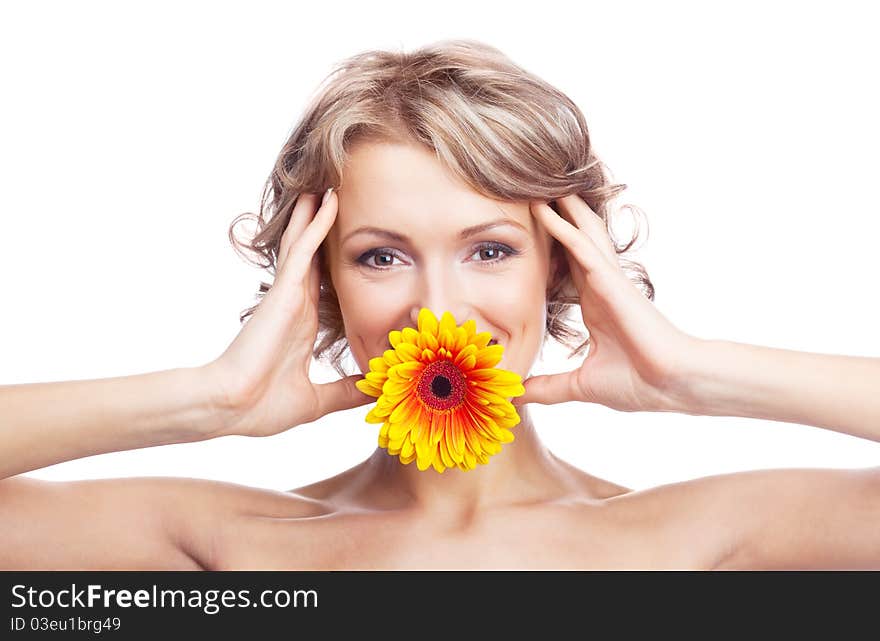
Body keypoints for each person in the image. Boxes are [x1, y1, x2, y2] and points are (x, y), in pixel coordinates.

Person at [1, 39, 878, 570]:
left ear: (565, 272)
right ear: (320, 289)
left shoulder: (694, 539)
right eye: (380, 255)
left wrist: (696, 371)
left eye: (489, 250)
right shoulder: (233, 546)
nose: (440, 308)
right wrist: (209, 399)